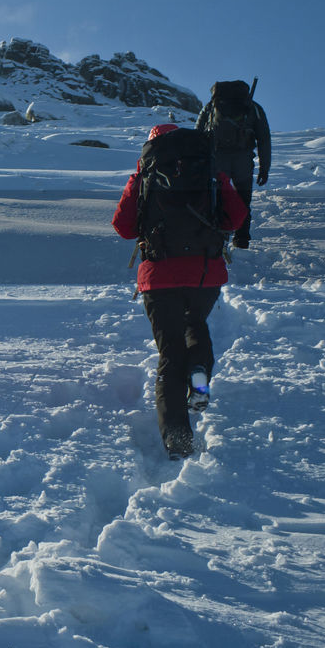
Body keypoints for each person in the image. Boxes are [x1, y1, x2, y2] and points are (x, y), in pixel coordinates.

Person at [112, 124, 249, 459]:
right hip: (205, 272)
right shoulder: (210, 171)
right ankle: (199, 378)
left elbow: (123, 227)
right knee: (195, 325)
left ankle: (178, 438)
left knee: (170, 352)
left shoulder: (146, 173)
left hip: (159, 275)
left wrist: (139, 181)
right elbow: (235, 219)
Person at [194, 80, 271, 248]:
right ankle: (241, 239)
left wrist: (197, 163)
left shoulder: (212, 106)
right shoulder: (252, 107)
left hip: (217, 160)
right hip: (243, 161)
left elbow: (198, 133)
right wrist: (264, 168)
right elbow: (264, 139)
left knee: (216, 198)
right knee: (243, 200)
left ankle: (217, 235)